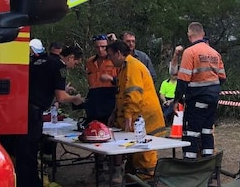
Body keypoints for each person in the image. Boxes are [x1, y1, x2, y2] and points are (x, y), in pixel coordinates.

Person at [23, 45, 85, 187]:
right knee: (30, 153)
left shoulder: (42, 60)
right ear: (70, 57)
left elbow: (41, 84)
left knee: (23, 153)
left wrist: (62, 89)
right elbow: (61, 98)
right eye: (76, 63)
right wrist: (75, 98)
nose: (74, 66)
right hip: (33, 112)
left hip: (22, 107)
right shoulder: (60, 66)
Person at [107, 40, 167, 177]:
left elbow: (133, 94)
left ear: (118, 53)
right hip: (138, 116)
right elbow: (121, 94)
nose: (109, 59)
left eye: (110, 55)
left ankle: (147, 181)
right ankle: (135, 180)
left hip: (144, 116)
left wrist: (127, 115)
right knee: (135, 151)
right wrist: (115, 113)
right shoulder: (125, 67)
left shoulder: (132, 67)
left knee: (144, 151)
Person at [175, 22, 226, 159]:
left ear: (189, 35)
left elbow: (182, 80)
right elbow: (222, 77)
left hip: (196, 100)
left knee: (191, 132)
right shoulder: (214, 53)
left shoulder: (190, 52)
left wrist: (176, 100)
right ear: (202, 34)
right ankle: (208, 164)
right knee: (207, 131)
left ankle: (190, 166)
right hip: (213, 99)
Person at [85, 34, 118, 124]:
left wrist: (111, 78)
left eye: (103, 47)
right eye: (97, 47)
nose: (100, 50)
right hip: (94, 100)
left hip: (110, 98)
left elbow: (124, 80)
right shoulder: (90, 62)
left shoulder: (114, 60)